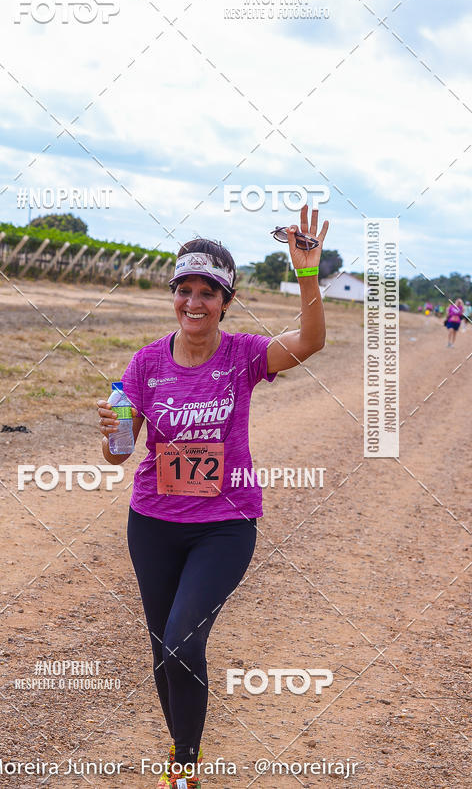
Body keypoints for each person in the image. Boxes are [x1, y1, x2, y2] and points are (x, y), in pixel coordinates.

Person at [96, 205, 329, 789]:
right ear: (173, 295)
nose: (194, 302)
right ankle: (185, 759)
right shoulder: (145, 363)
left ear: (226, 300)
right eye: (185, 290)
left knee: (181, 639)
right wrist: (111, 434)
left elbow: (312, 341)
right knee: (162, 649)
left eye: (208, 292)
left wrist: (307, 274)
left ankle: (183, 765)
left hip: (226, 523)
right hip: (152, 520)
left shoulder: (245, 355)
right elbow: (121, 454)